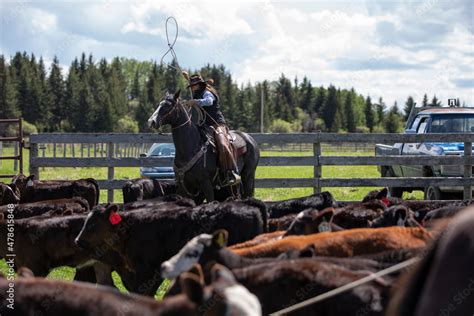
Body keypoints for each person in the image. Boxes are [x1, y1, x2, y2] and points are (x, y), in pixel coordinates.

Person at [182, 71, 240, 186]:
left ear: (199, 85)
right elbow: (193, 86)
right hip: (204, 125)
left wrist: (195, 101)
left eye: (193, 85)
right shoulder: (197, 92)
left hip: (217, 124)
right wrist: (187, 78)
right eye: (191, 86)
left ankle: (231, 172)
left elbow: (209, 102)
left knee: (223, 144)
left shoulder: (207, 93)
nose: (192, 88)